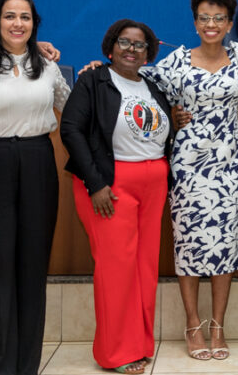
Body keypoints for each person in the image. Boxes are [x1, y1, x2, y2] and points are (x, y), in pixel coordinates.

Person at [142, 0, 238, 360]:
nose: (211, 24)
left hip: (227, 165)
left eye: (219, 18)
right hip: (187, 167)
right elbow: (138, 85)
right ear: (195, 21)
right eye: (204, 17)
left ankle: (218, 325)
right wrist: (172, 115)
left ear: (230, 23)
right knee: (189, 244)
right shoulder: (176, 59)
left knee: (225, 244)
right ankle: (193, 324)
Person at [59, 19, 173, 375]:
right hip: (109, 185)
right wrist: (94, 184)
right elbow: (71, 129)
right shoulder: (93, 80)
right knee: (116, 270)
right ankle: (115, 353)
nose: (131, 49)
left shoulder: (153, 85)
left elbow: (159, 126)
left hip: (153, 182)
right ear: (110, 47)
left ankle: (139, 344)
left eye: (139, 45)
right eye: (124, 42)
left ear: (148, 53)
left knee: (143, 267)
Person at [0, 0, 70, 375]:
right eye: (10, 16)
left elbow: (71, 110)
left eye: (25, 17)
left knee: (31, 265)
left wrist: (98, 76)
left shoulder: (46, 66)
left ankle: (25, 364)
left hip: (37, 161)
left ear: (34, 24)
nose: (18, 24)